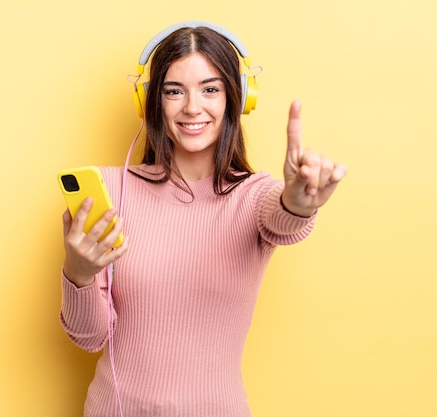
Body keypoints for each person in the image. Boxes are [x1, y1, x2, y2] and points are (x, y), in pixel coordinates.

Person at [59, 21, 347, 417]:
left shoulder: (254, 195)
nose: (192, 107)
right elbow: (89, 338)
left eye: (210, 89)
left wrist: (298, 202)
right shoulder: (109, 192)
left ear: (237, 97)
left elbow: (282, 219)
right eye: (174, 91)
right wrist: (78, 272)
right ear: (149, 101)